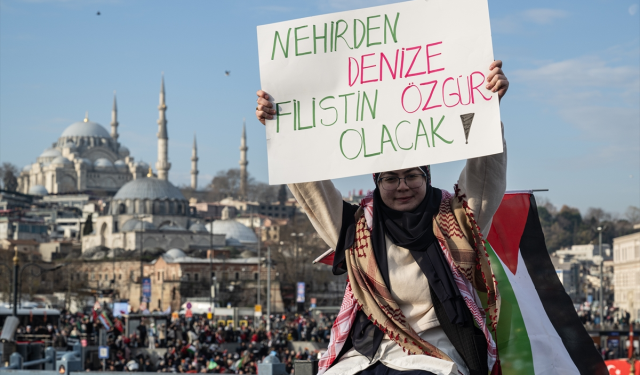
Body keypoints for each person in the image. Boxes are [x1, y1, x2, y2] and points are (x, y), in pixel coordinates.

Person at [255, 61, 509, 375]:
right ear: (378, 183)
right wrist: (282, 125)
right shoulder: (358, 228)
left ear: (426, 176)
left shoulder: (455, 222)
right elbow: (313, 192)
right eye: (390, 178)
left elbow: (485, 180)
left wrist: (488, 111)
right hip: (366, 354)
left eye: (411, 176)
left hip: (433, 356)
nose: (402, 186)